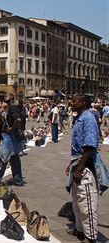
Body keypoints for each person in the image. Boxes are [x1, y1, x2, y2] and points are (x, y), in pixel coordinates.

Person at [65, 94, 99, 243]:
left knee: (86, 201)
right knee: (77, 202)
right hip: (77, 162)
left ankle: (90, 236)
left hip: (85, 167)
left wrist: (79, 169)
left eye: (75, 101)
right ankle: (80, 229)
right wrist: (71, 165)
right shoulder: (79, 118)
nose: (71, 102)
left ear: (84, 103)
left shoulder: (88, 118)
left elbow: (89, 146)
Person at [0, 94, 25, 187]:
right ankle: (18, 180)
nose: (1, 102)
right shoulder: (2, 111)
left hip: (10, 137)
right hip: (8, 136)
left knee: (2, 159)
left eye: (2, 100)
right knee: (14, 159)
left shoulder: (12, 108)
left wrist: (11, 128)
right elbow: (0, 124)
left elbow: (18, 120)